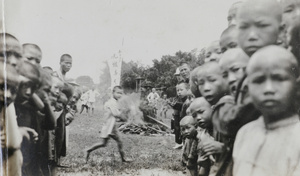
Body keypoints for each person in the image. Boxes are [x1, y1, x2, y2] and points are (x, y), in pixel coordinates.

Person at [233, 45, 300, 176]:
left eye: (279, 79)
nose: (268, 89)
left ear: (297, 86)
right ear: (248, 88)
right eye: (258, 80)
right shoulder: (245, 133)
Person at [83, 86, 131, 163]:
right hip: (110, 126)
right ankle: (123, 158)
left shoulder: (114, 102)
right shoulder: (112, 102)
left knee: (104, 143)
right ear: (113, 93)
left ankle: (88, 150)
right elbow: (116, 114)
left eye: (121, 93)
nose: (120, 95)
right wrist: (124, 111)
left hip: (110, 125)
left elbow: (115, 115)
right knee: (119, 141)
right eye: (118, 93)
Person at [187, 97, 214, 176]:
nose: (198, 118)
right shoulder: (200, 135)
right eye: (194, 116)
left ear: (213, 109)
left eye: (201, 112)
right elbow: (191, 161)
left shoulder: (222, 132)